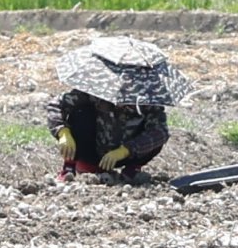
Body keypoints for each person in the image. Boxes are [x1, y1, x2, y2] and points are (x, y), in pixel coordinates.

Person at [51, 34, 182, 182]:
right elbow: (57, 105)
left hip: (128, 154)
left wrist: (126, 150)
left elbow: (161, 132)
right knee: (81, 113)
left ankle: (132, 170)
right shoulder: (95, 90)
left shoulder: (148, 101)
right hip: (93, 150)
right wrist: (63, 132)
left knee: (153, 135)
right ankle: (70, 167)